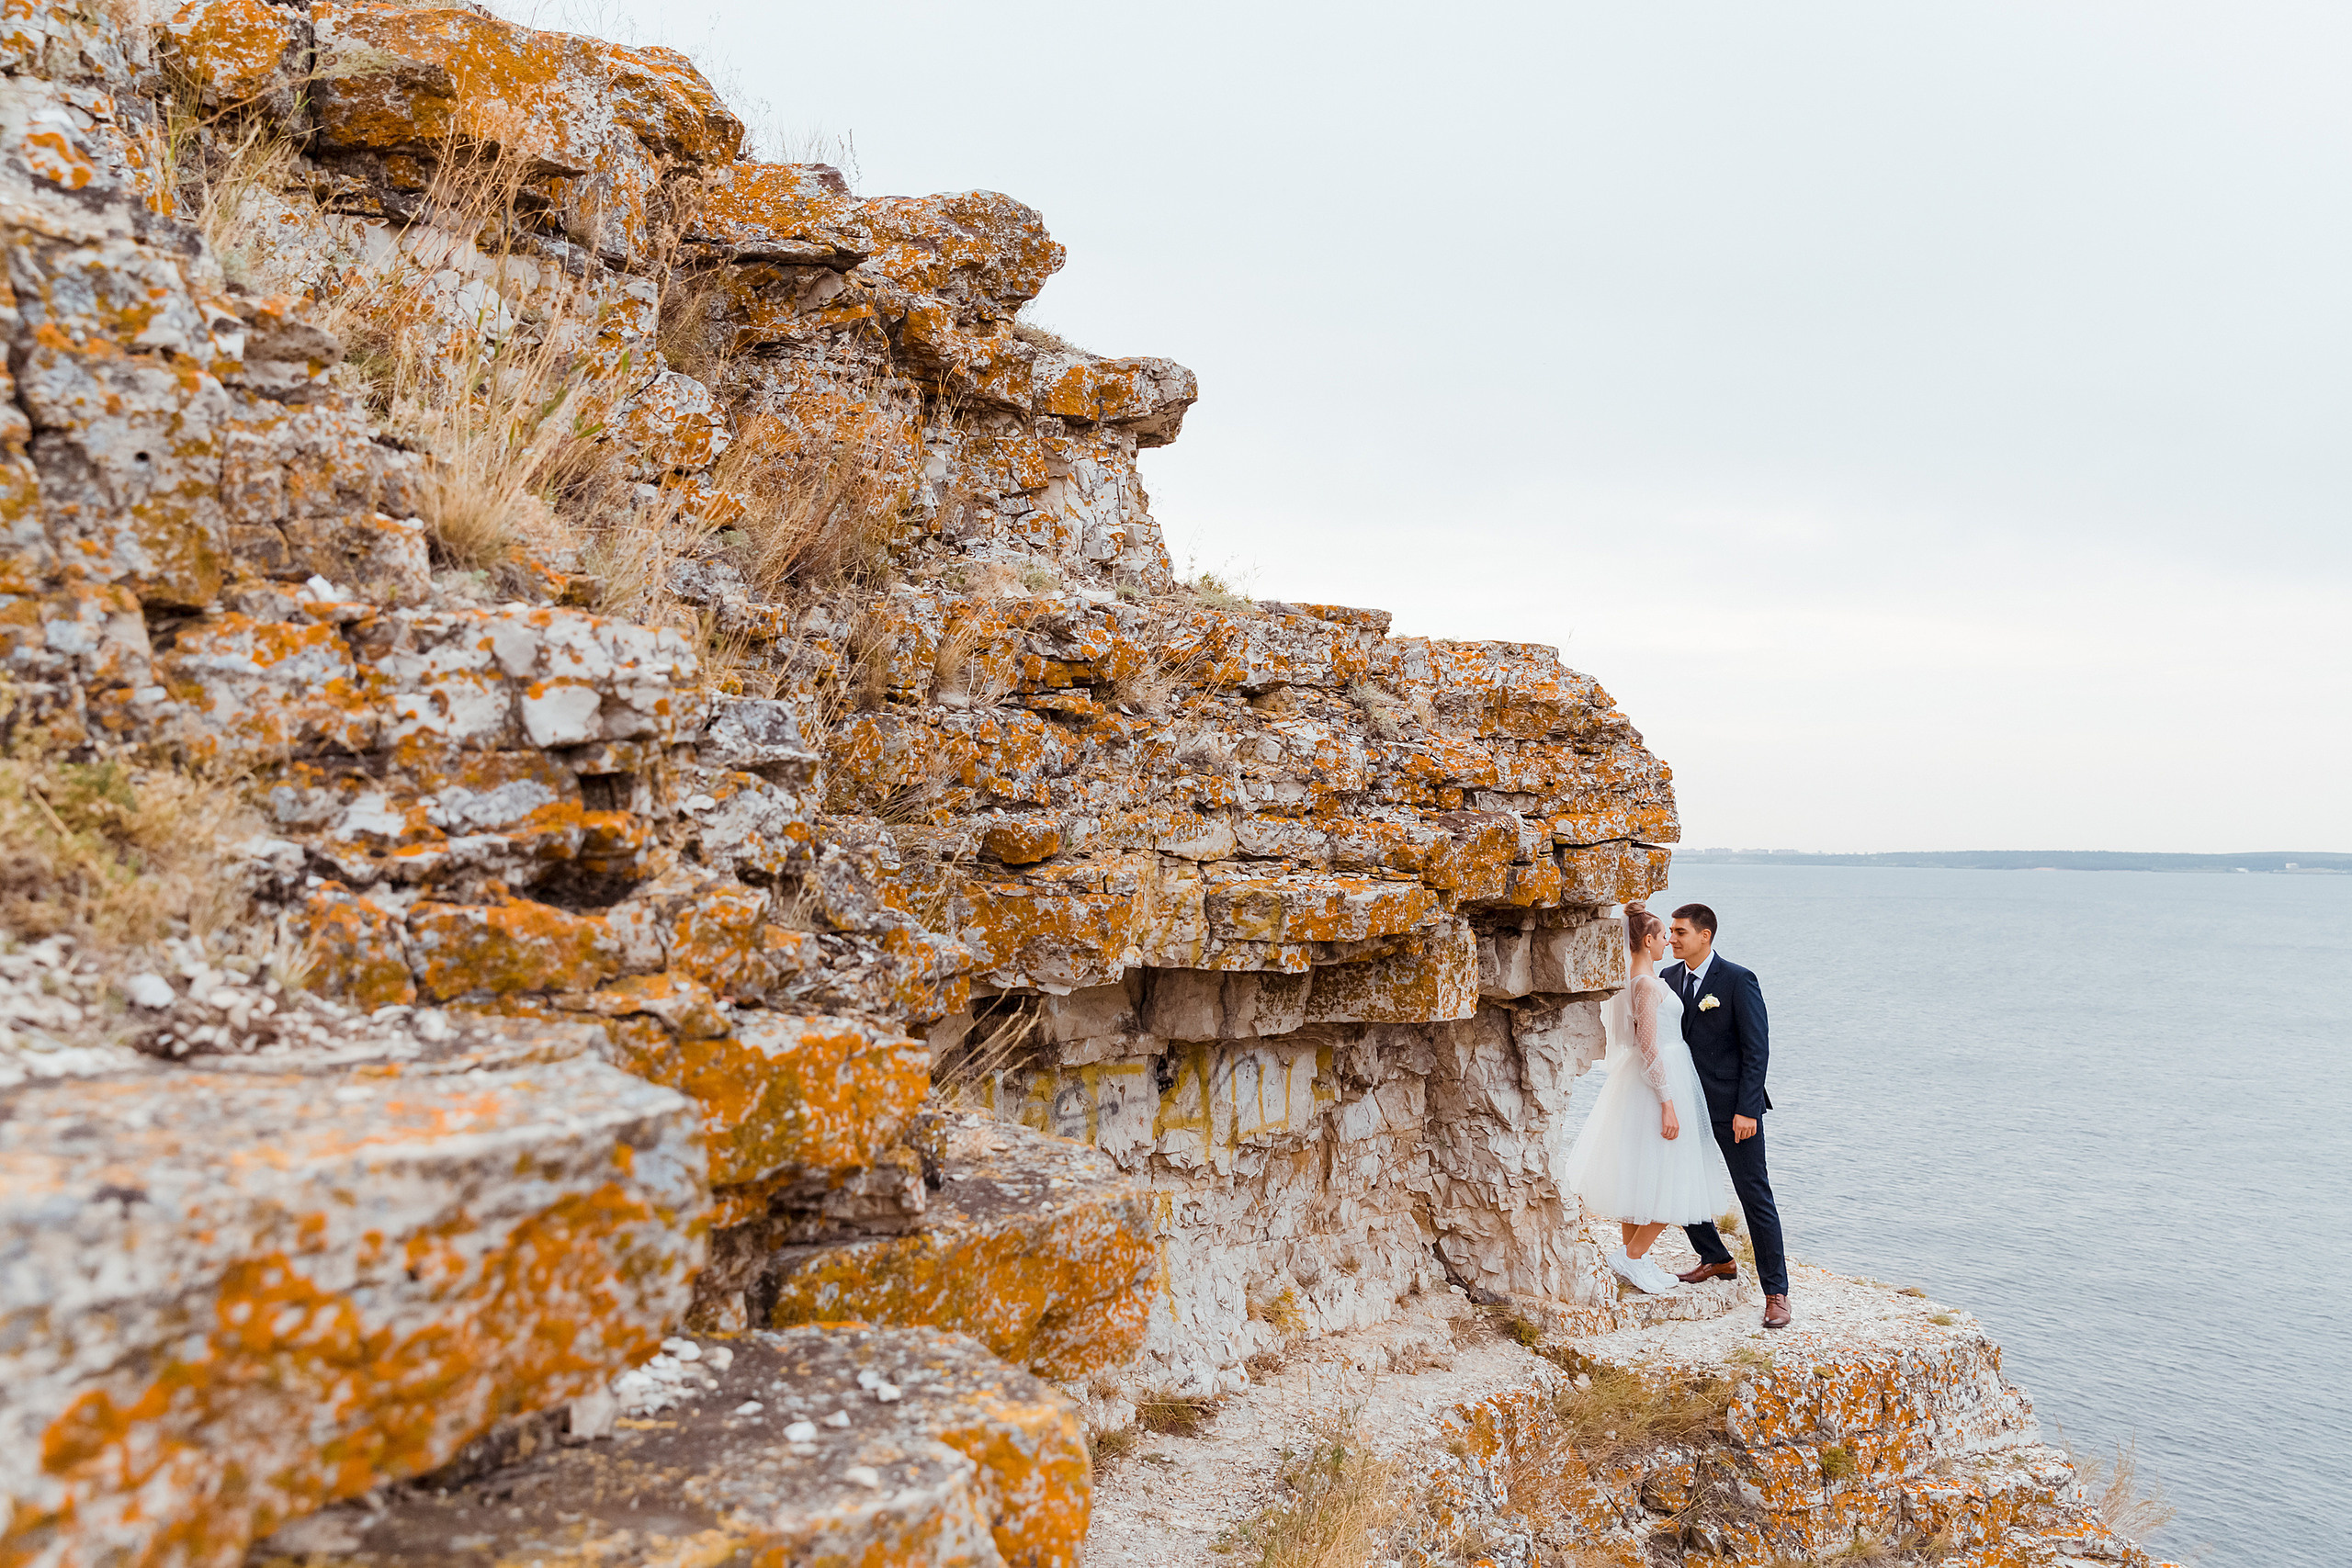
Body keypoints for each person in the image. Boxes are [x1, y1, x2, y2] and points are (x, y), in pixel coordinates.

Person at [1564, 902, 1718, 1295]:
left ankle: (1638, 1259)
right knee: (1672, 1173)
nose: (1669, 939)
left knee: (1643, 1174)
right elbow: (1649, 1044)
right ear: (1647, 940)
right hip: (1661, 1080)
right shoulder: (1646, 984)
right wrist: (1667, 1101)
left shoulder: (1640, 978)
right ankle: (1631, 1257)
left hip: (1652, 1077)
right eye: (1664, 934)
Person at [1661, 902, 1792, 1329]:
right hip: (1685, 1106)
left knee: (1754, 1196)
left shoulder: (1737, 980)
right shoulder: (1667, 980)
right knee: (1683, 1184)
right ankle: (1715, 1257)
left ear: (1705, 936)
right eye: (1670, 931)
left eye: (1680, 932)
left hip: (1733, 1110)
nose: (1672, 938)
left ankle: (1776, 1294)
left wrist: (1747, 1110)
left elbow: (1758, 1049)